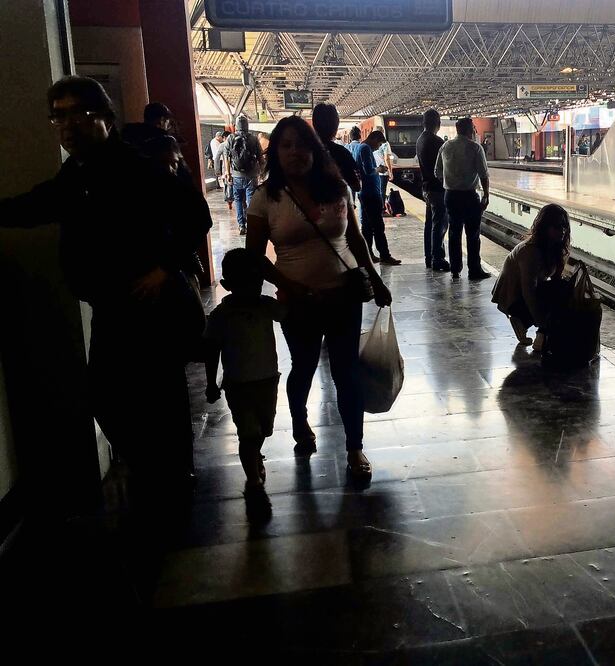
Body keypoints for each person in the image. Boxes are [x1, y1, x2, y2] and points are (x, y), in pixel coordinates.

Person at [0, 76, 212, 495]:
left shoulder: (137, 167)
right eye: (59, 117)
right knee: (113, 396)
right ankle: (159, 471)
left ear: (106, 119)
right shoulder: (77, 172)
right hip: (113, 305)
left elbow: (196, 216)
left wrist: (164, 268)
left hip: (151, 306)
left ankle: (171, 476)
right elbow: (36, 204)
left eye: (79, 114)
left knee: (154, 393)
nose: (68, 126)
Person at [245, 116, 392, 479]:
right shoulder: (265, 198)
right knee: (304, 366)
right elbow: (253, 258)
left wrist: (376, 279)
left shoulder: (338, 189)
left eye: (302, 145)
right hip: (299, 304)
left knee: (347, 372)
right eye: (286, 145)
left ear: (315, 150)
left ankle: (355, 448)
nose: (295, 152)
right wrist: (288, 285)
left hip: (344, 296)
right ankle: (299, 419)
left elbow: (355, 239)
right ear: (276, 153)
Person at [204, 248, 285, 503]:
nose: (252, 290)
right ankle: (252, 477)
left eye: (256, 283)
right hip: (238, 385)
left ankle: (254, 455)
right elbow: (211, 350)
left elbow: (289, 312)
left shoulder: (265, 306)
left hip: (267, 381)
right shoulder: (220, 316)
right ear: (227, 286)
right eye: (246, 284)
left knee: (263, 428)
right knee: (248, 431)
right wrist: (211, 383)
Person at [492, 204, 571, 353]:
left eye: (564, 226)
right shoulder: (529, 251)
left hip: (527, 292)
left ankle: (524, 322)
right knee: (558, 290)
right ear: (545, 227)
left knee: (562, 288)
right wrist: (543, 325)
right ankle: (527, 323)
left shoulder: (554, 247)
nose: (562, 230)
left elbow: (555, 280)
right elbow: (528, 291)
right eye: (557, 226)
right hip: (513, 297)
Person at [435, 117, 492, 281]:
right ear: (470, 130)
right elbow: (484, 175)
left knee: (454, 233)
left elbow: (437, 172)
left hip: (451, 196)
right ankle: (474, 270)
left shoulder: (445, 146)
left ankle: (455, 270)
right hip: (469, 196)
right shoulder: (475, 148)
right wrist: (486, 195)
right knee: (473, 234)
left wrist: (450, 182)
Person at [349, 129, 401, 265]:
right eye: (378, 144)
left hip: (365, 192)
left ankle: (368, 254)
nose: (377, 148)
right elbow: (368, 170)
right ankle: (385, 255)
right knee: (378, 226)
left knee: (367, 226)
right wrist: (380, 169)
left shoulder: (359, 147)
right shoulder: (365, 148)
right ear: (374, 139)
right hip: (371, 192)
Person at [417, 109, 450, 272]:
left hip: (427, 187)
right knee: (440, 224)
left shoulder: (420, 139)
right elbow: (445, 166)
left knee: (430, 223)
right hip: (437, 189)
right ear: (438, 123)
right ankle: (438, 258)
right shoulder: (436, 141)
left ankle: (429, 257)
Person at [312, 102, 361, 194]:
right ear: (336, 126)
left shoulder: (304, 151)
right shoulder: (341, 153)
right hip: (334, 200)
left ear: (314, 124)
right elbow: (356, 186)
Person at [226, 114, 263, 235]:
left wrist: (228, 173)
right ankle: (251, 224)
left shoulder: (230, 138)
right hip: (251, 175)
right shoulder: (253, 139)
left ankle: (241, 225)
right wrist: (262, 172)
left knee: (237, 200)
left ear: (236, 125)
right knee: (250, 200)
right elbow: (260, 157)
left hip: (236, 175)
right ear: (247, 125)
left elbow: (227, 156)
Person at [374, 125, 393, 203]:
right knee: (382, 190)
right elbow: (387, 158)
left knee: (376, 190)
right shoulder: (385, 143)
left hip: (374, 170)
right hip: (383, 171)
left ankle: (376, 206)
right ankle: (381, 207)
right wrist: (390, 171)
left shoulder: (372, 143)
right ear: (382, 133)